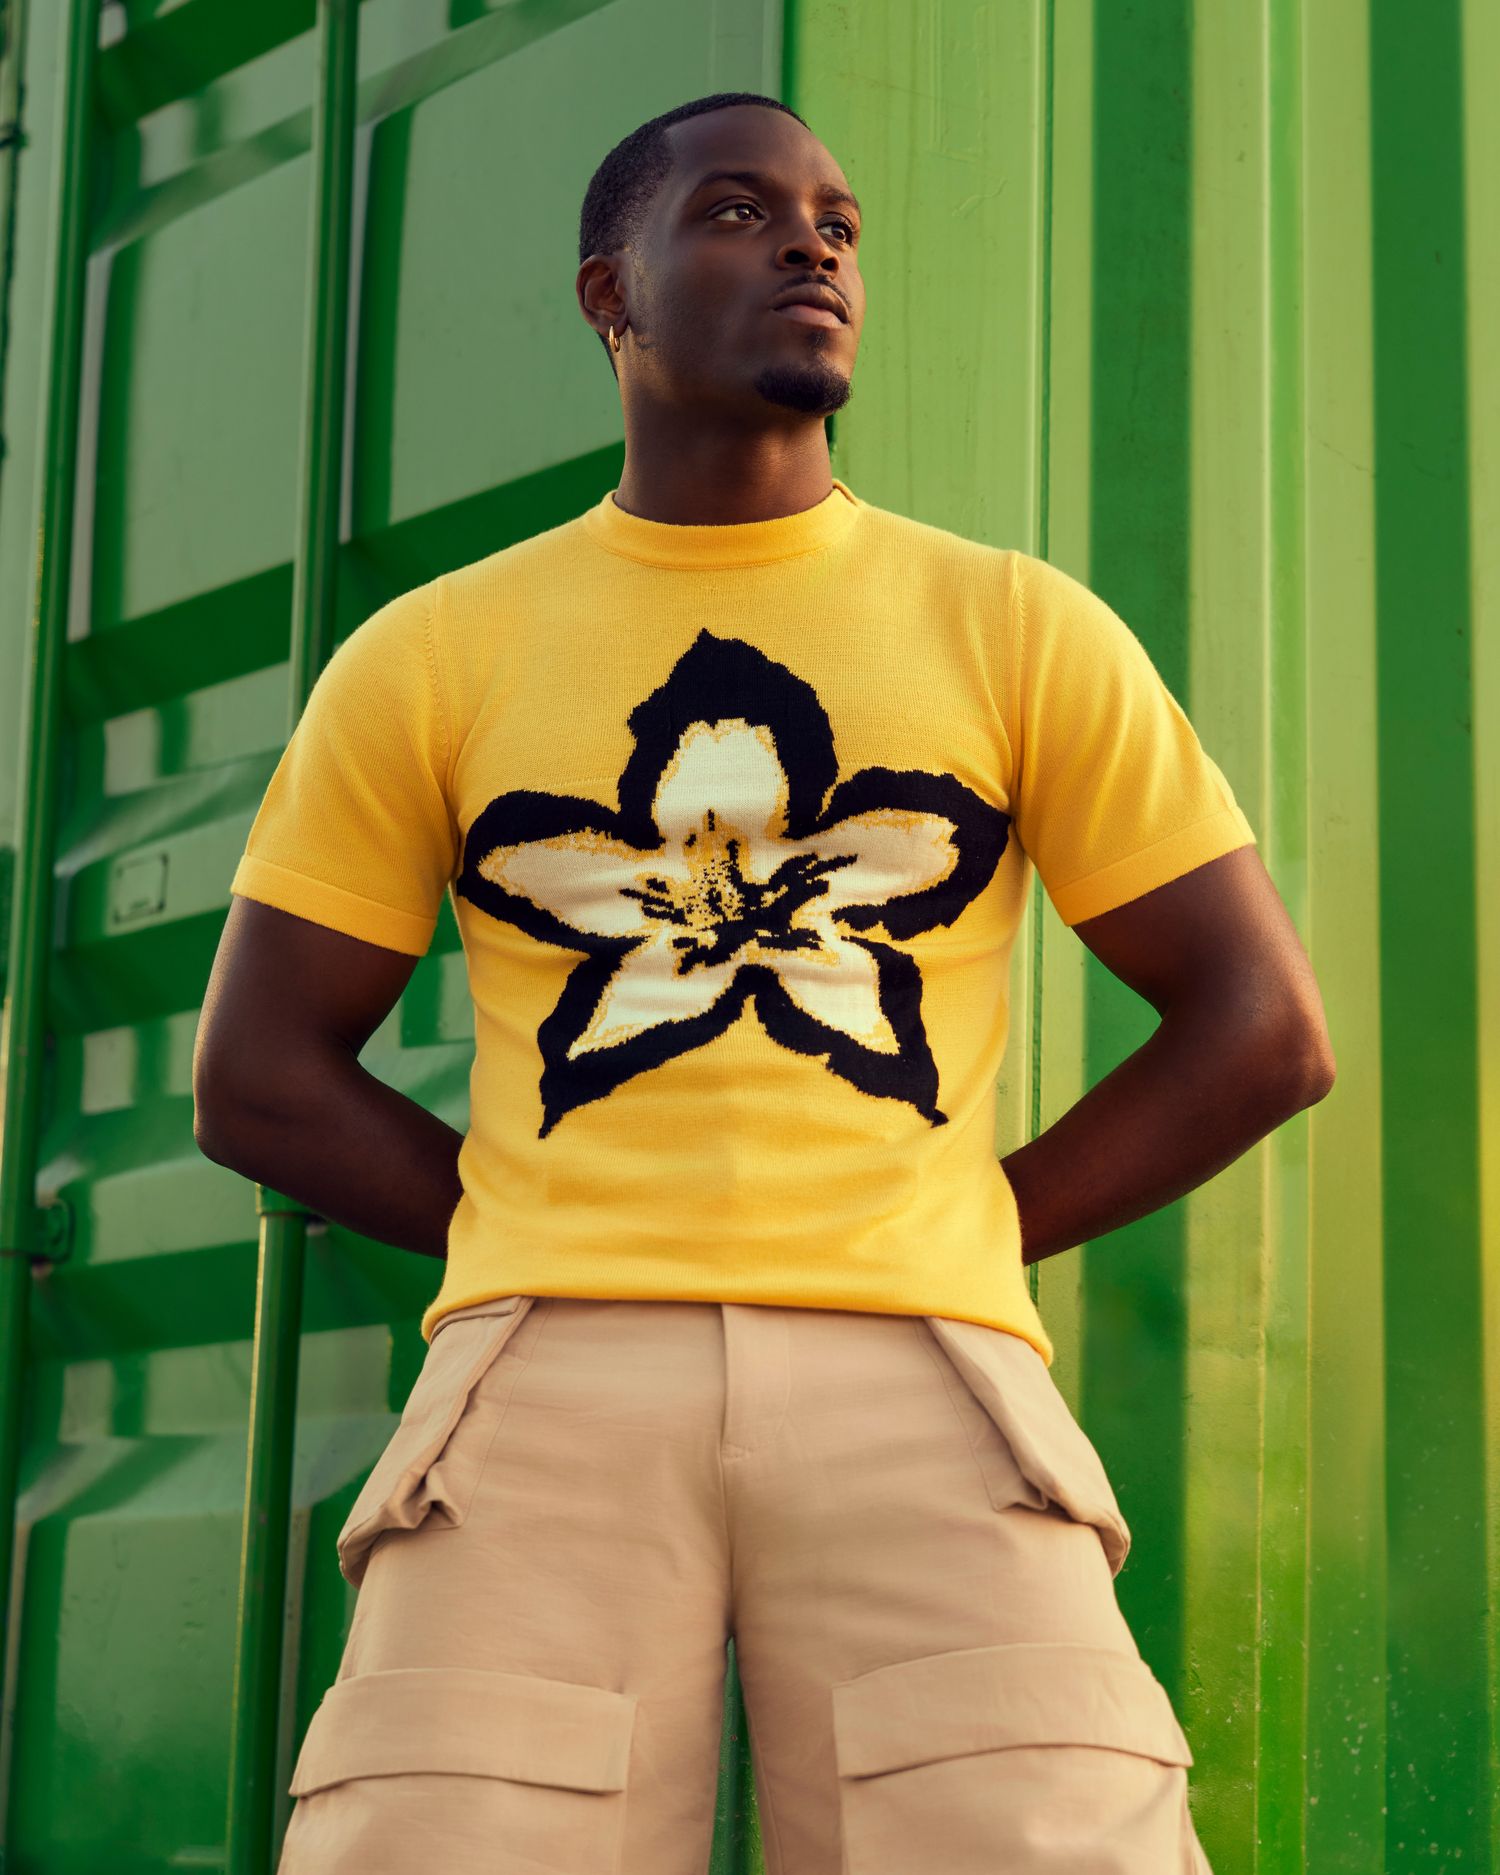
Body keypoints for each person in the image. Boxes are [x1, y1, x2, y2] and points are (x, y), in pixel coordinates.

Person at [194, 90, 1335, 1875]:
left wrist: (950, 1230)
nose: (813, 246)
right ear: (608, 297)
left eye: (840, 224)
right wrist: (540, 1232)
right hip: (545, 1374)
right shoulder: (433, 650)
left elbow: (1262, 1029)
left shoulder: (1015, 624)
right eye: (738, 212)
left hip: (924, 1363)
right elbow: (256, 1073)